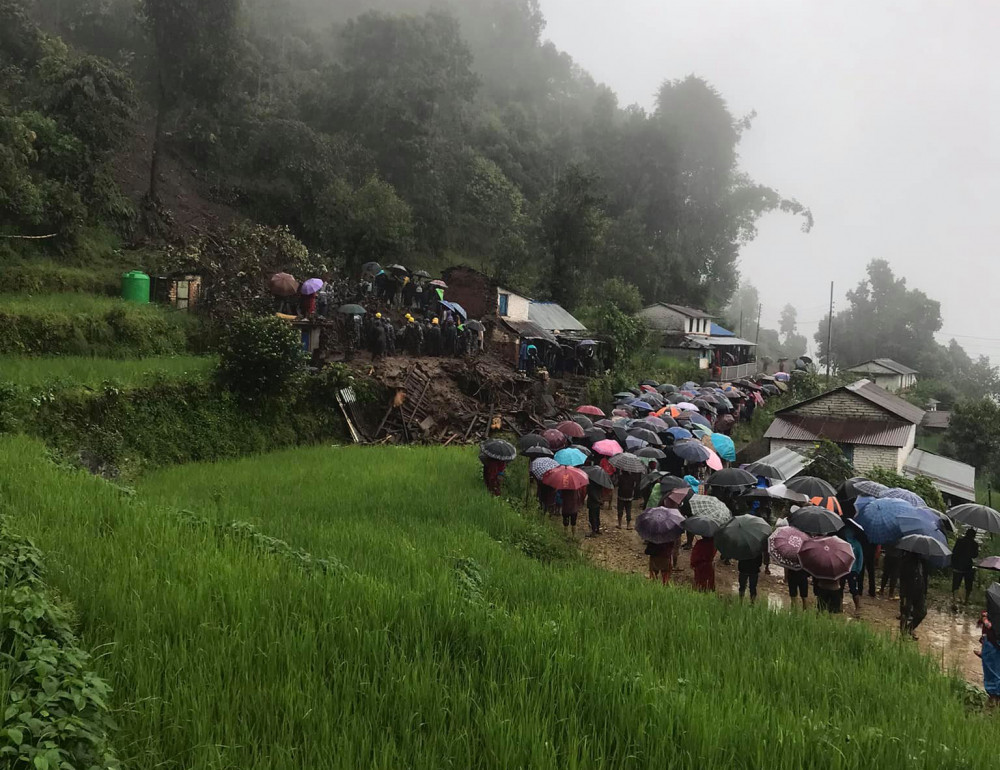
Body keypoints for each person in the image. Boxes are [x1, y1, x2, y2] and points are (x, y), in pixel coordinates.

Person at [899, 550, 928, 639]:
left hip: (919, 591)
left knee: (922, 612)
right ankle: (903, 634)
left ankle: (908, 629)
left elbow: (924, 577)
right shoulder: (906, 562)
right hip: (907, 591)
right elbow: (902, 579)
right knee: (905, 612)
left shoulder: (921, 563)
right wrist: (903, 594)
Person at [976, 608, 1000, 704]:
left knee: (992, 672)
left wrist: (985, 619)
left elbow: (985, 617)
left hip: (992, 642)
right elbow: (984, 615)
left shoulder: (995, 601)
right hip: (991, 642)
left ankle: (993, 700)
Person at [952, 528, 980, 605]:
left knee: (956, 584)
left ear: (966, 533)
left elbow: (954, 552)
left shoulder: (959, 541)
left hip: (958, 565)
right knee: (968, 585)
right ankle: (966, 600)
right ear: (974, 536)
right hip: (968, 566)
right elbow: (975, 555)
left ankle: (954, 600)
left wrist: (952, 563)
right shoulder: (974, 544)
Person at [841, 524, 864, 615]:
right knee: (841, 587)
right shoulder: (842, 542)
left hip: (852, 570)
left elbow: (860, 557)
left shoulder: (856, 544)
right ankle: (839, 607)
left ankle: (858, 607)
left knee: (853, 589)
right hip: (843, 569)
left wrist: (858, 569)